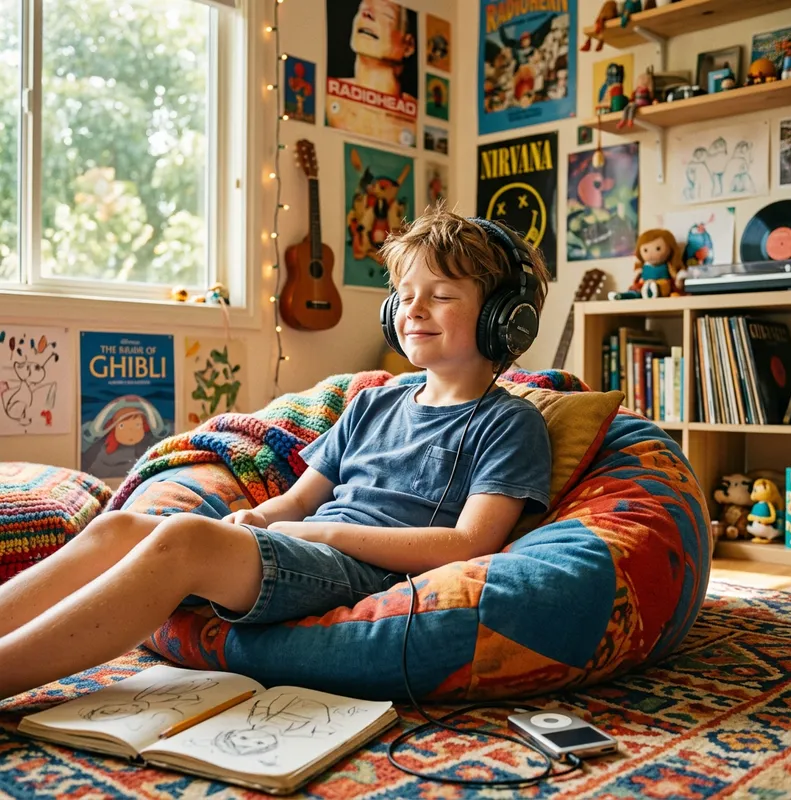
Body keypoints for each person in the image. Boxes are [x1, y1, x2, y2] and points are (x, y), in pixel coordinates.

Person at [0, 208, 551, 701]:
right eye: (404, 296)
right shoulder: (371, 403)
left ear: (505, 318)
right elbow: (300, 500)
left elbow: (471, 543)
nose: (415, 310)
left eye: (442, 296)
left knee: (184, 541)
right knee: (117, 527)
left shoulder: (510, 423)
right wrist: (259, 518)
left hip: (367, 573)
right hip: (302, 547)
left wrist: (324, 533)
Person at [326, 0, 417, 146]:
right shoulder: (326, 99)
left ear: (408, 45)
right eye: (362, 9)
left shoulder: (418, 121)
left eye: (386, 14)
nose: (366, 14)